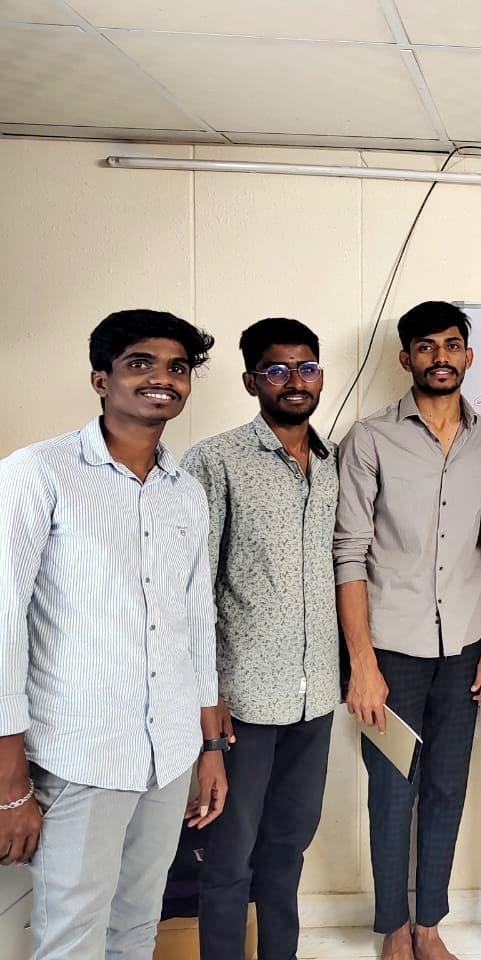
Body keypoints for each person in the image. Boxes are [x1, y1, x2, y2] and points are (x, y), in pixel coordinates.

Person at [0, 309, 225, 959]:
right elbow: (4, 621)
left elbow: (196, 621)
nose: (163, 379)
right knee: (72, 934)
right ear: (102, 379)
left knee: (137, 925)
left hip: (169, 752)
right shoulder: (37, 473)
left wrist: (209, 746)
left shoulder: (185, 492)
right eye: (140, 363)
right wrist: (9, 784)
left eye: (177, 368)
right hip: (81, 753)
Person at [335, 300, 481, 960]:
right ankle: (392, 927)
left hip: (465, 647)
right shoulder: (369, 439)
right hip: (390, 651)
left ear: (468, 355)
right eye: (426, 346)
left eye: (452, 344)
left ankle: (429, 926)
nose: (441, 357)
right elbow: (348, 553)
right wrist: (361, 663)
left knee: (446, 788)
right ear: (405, 357)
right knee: (391, 791)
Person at [182, 317, 340, 960]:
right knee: (228, 857)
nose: (294, 381)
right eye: (277, 370)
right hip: (243, 701)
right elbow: (191, 590)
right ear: (252, 382)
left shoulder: (332, 463)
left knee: (288, 848)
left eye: (306, 367)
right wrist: (210, 701)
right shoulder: (215, 461)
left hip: (315, 696)